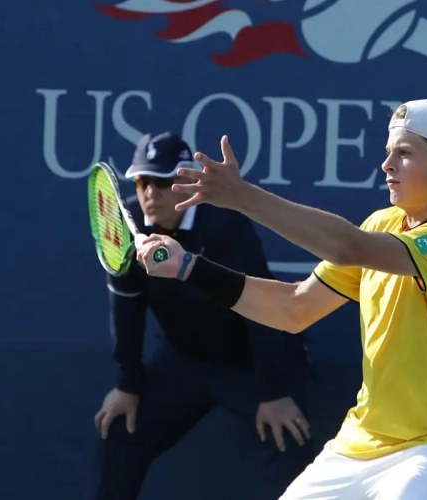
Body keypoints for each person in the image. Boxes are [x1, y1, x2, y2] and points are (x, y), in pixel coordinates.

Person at [135, 100, 427, 500]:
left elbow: (346, 247)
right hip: (355, 449)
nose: (387, 165)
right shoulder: (382, 224)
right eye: (389, 151)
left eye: (404, 154)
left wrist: (240, 196)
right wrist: (188, 267)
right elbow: (293, 308)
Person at [91, 131, 316, 500]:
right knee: (119, 429)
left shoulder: (225, 225)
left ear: (185, 182)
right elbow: (127, 303)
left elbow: (261, 312)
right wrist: (127, 383)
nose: (151, 192)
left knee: (288, 436)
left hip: (251, 360)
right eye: (143, 181)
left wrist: (274, 391)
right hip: (183, 360)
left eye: (163, 182)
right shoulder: (128, 221)